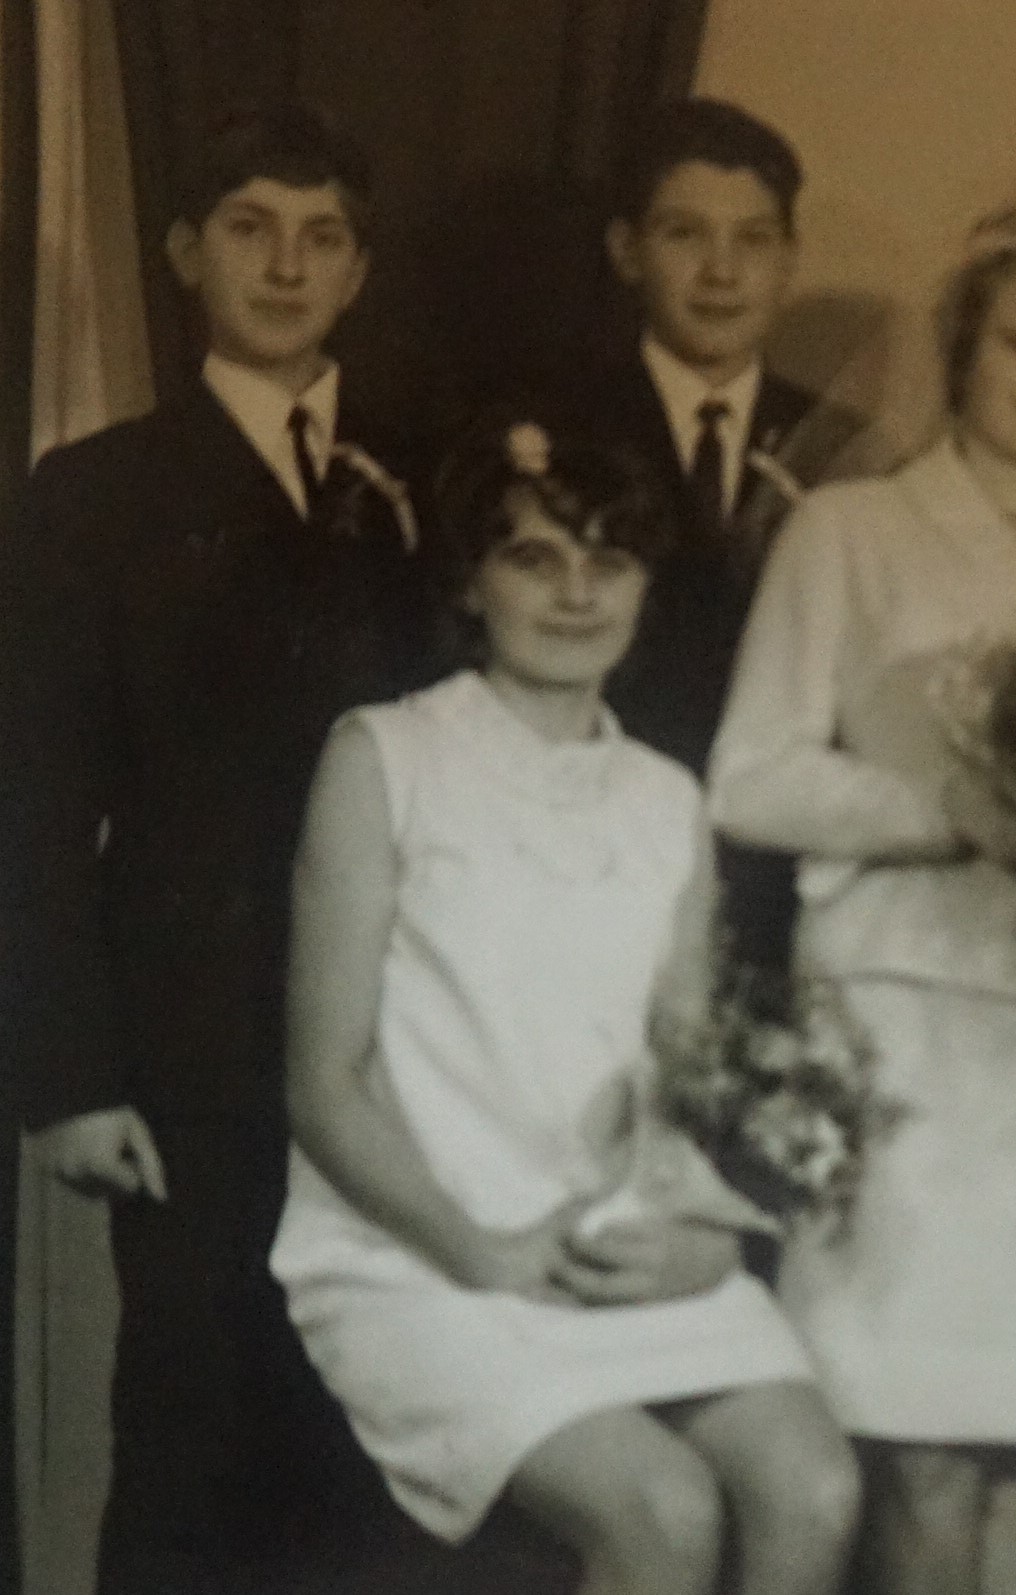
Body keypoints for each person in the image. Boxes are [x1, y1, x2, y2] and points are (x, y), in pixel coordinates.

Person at [710, 190, 1016, 1595]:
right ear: (961, 349)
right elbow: (749, 777)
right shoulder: (850, 530)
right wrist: (944, 814)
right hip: (906, 1046)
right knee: (925, 1455)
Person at [272, 419, 861, 1595]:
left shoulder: (666, 797)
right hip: (420, 1252)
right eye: (534, 558)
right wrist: (477, 1248)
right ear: (470, 583)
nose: (577, 593)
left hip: (619, 1246)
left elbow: (683, 1073)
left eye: (610, 561)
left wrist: (701, 1239)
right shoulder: (384, 754)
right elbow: (322, 1086)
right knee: (663, 1509)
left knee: (816, 1489)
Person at [0, 104, 438, 1594]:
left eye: (323, 237)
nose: (286, 266)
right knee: (191, 1420)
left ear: (360, 270)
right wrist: (66, 1077)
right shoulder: (92, 493)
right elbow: (32, 798)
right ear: (187, 251)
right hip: (190, 1045)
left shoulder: (425, 482)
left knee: (367, 1429)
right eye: (251, 229)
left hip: (394, 1036)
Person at [587, 97, 856, 984]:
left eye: (754, 240)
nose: (722, 272)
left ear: (790, 260)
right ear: (627, 249)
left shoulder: (844, 448)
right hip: (593, 849)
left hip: (767, 880)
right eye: (685, 235)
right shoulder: (555, 426)